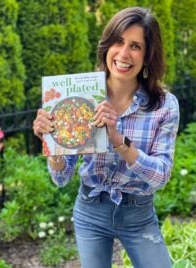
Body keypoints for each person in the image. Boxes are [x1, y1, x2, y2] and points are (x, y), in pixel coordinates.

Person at [33, 6, 179, 268]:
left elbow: (161, 176)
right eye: (118, 41)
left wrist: (118, 141)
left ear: (147, 56)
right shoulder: (80, 96)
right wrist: (52, 143)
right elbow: (61, 177)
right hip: (91, 209)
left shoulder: (164, 106)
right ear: (107, 46)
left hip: (138, 214)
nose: (124, 54)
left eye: (135, 46)